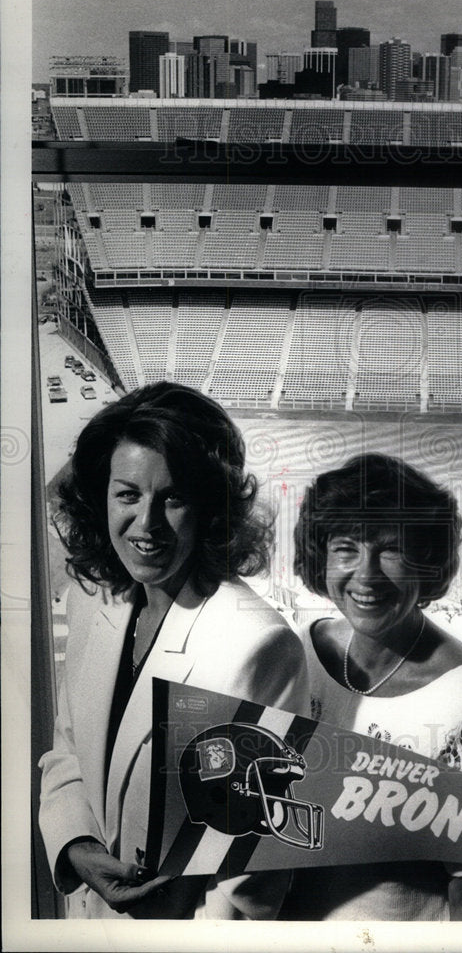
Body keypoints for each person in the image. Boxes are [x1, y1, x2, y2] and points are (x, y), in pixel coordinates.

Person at [38, 382, 309, 919]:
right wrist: (78, 847)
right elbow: (68, 747)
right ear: (101, 496)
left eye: (174, 498)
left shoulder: (257, 644)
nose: (147, 524)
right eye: (127, 494)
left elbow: (256, 870)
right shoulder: (94, 601)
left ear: (211, 506)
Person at [280, 452, 462, 921]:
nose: (366, 575)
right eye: (346, 547)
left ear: (427, 564)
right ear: (320, 556)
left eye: (391, 550)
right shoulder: (298, 652)